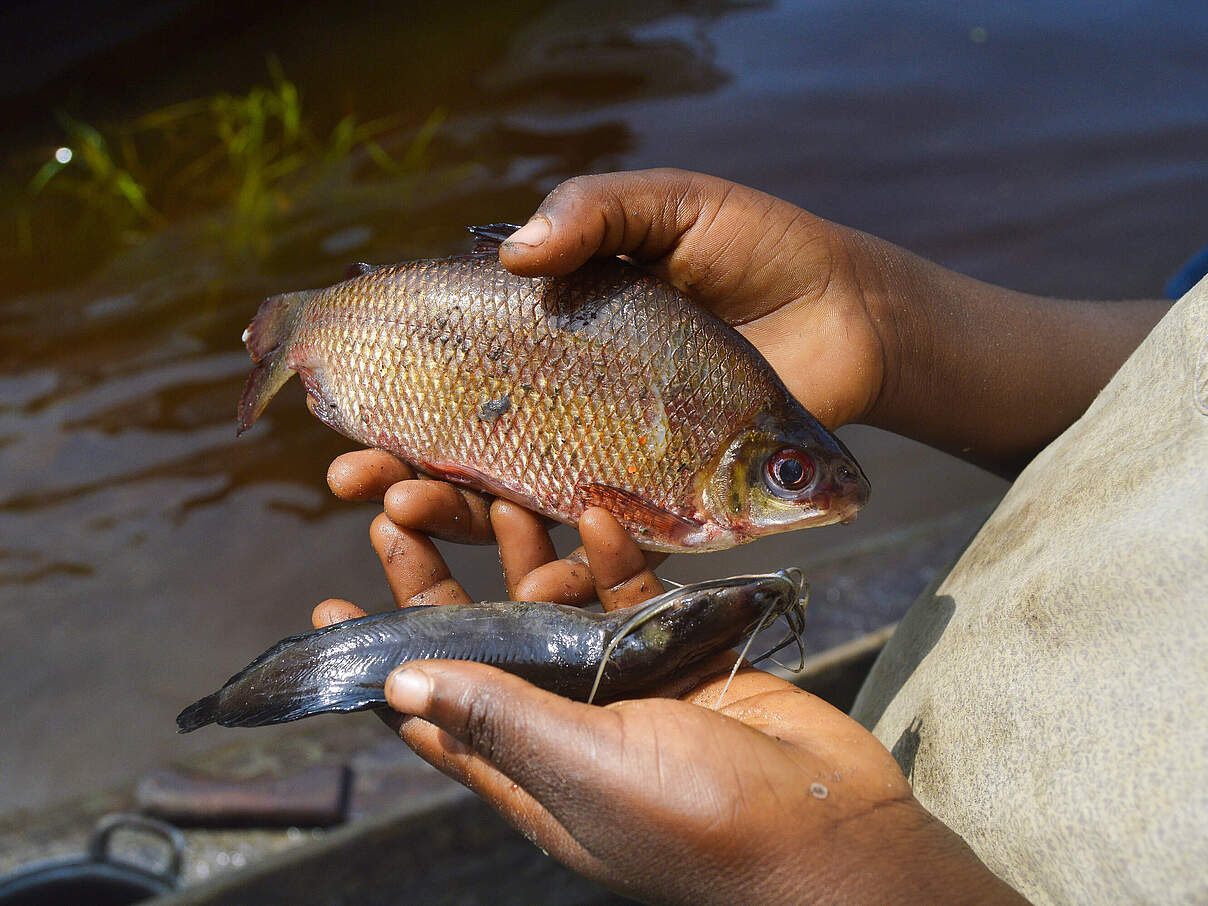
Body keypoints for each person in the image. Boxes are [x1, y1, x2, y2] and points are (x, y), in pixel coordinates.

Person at [308, 170, 1205, 904]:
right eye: (788, 476)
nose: (818, 493)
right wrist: (879, 318)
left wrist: (848, 870)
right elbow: (1170, 370)